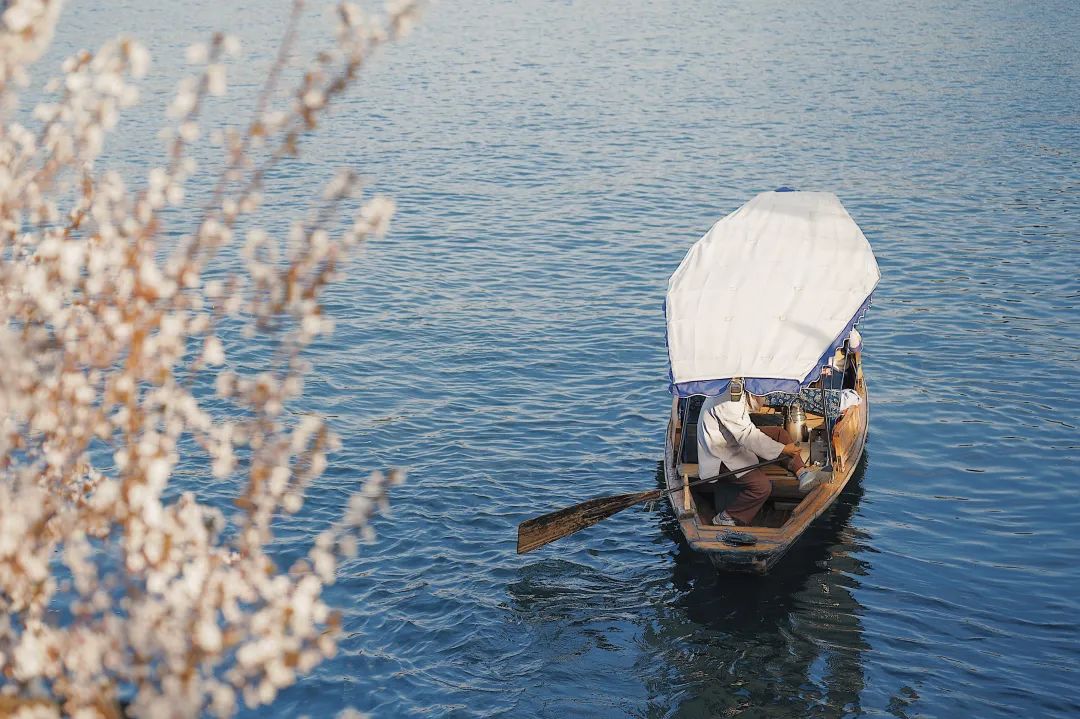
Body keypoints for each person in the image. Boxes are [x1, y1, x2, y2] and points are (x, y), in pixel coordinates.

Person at [696, 378, 827, 526]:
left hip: (733, 441)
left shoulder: (738, 390)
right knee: (762, 487)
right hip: (720, 456)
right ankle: (727, 517)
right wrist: (783, 449)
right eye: (763, 394)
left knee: (779, 434)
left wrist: (781, 447)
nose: (764, 400)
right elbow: (747, 436)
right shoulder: (728, 401)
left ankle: (802, 472)